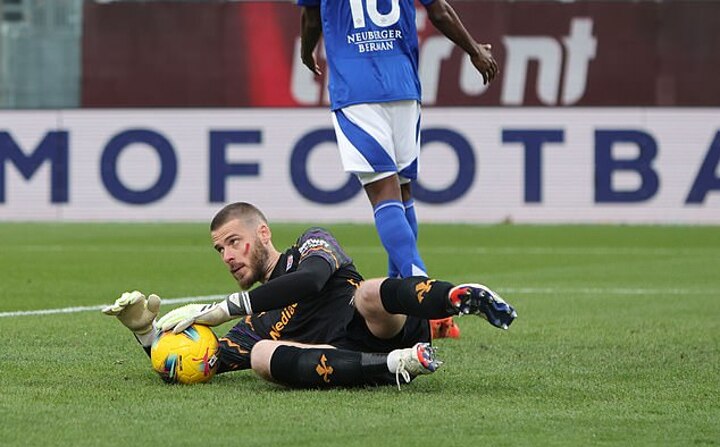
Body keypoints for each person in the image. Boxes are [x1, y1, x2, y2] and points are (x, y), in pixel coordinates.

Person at [103, 202, 516, 389]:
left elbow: (312, 281)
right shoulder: (252, 327)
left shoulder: (311, 245)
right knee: (261, 356)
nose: (228, 256)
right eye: (220, 250)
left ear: (263, 233)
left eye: (234, 242)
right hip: (355, 358)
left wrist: (225, 309)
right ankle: (393, 367)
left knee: (370, 292)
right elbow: (191, 364)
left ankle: (457, 297)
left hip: (387, 325)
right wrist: (144, 333)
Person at [297, 0, 499, 338]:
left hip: (357, 89)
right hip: (403, 86)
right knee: (402, 194)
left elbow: (312, 17)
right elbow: (440, 11)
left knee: (383, 193)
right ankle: (407, 306)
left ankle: (426, 295)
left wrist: (307, 51)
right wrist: (474, 49)